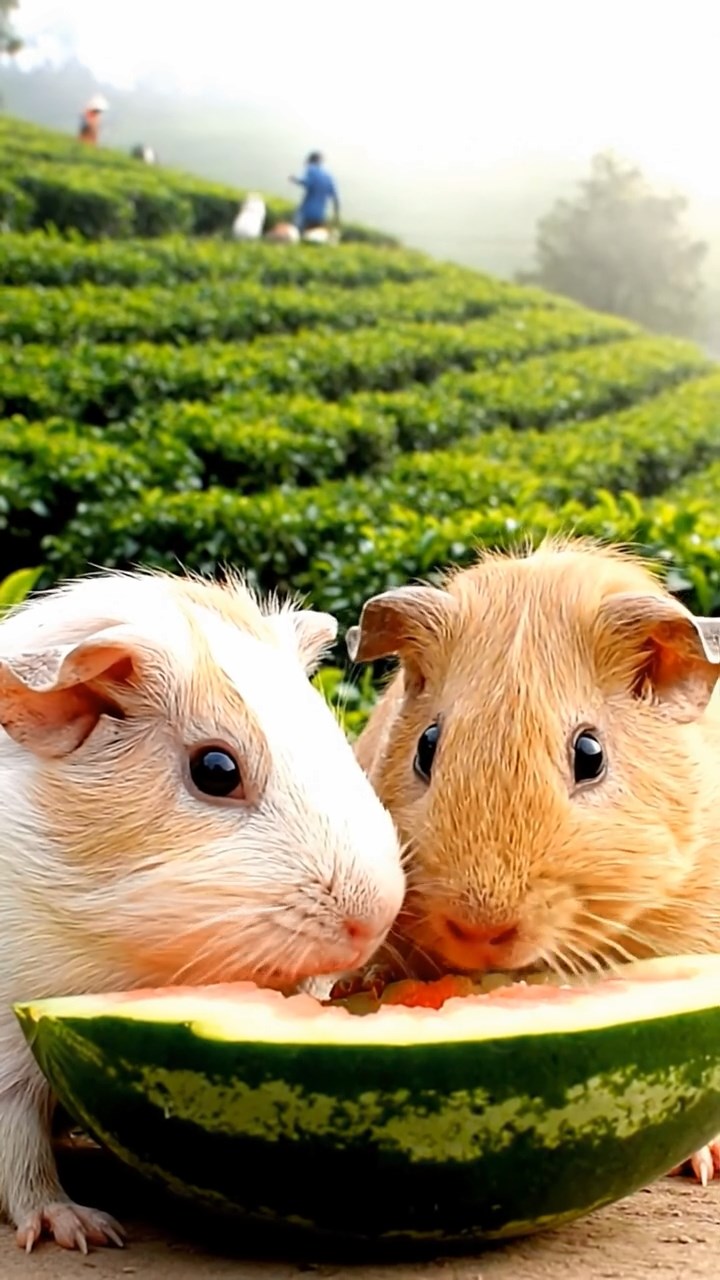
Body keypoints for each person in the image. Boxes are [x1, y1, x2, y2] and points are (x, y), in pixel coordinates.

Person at [289, 151, 340, 233]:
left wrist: (294, 179)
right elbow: (335, 198)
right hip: (320, 214)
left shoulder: (311, 169)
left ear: (310, 160)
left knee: (295, 232)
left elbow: (307, 182)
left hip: (306, 211)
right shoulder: (329, 176)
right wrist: (336, 216)